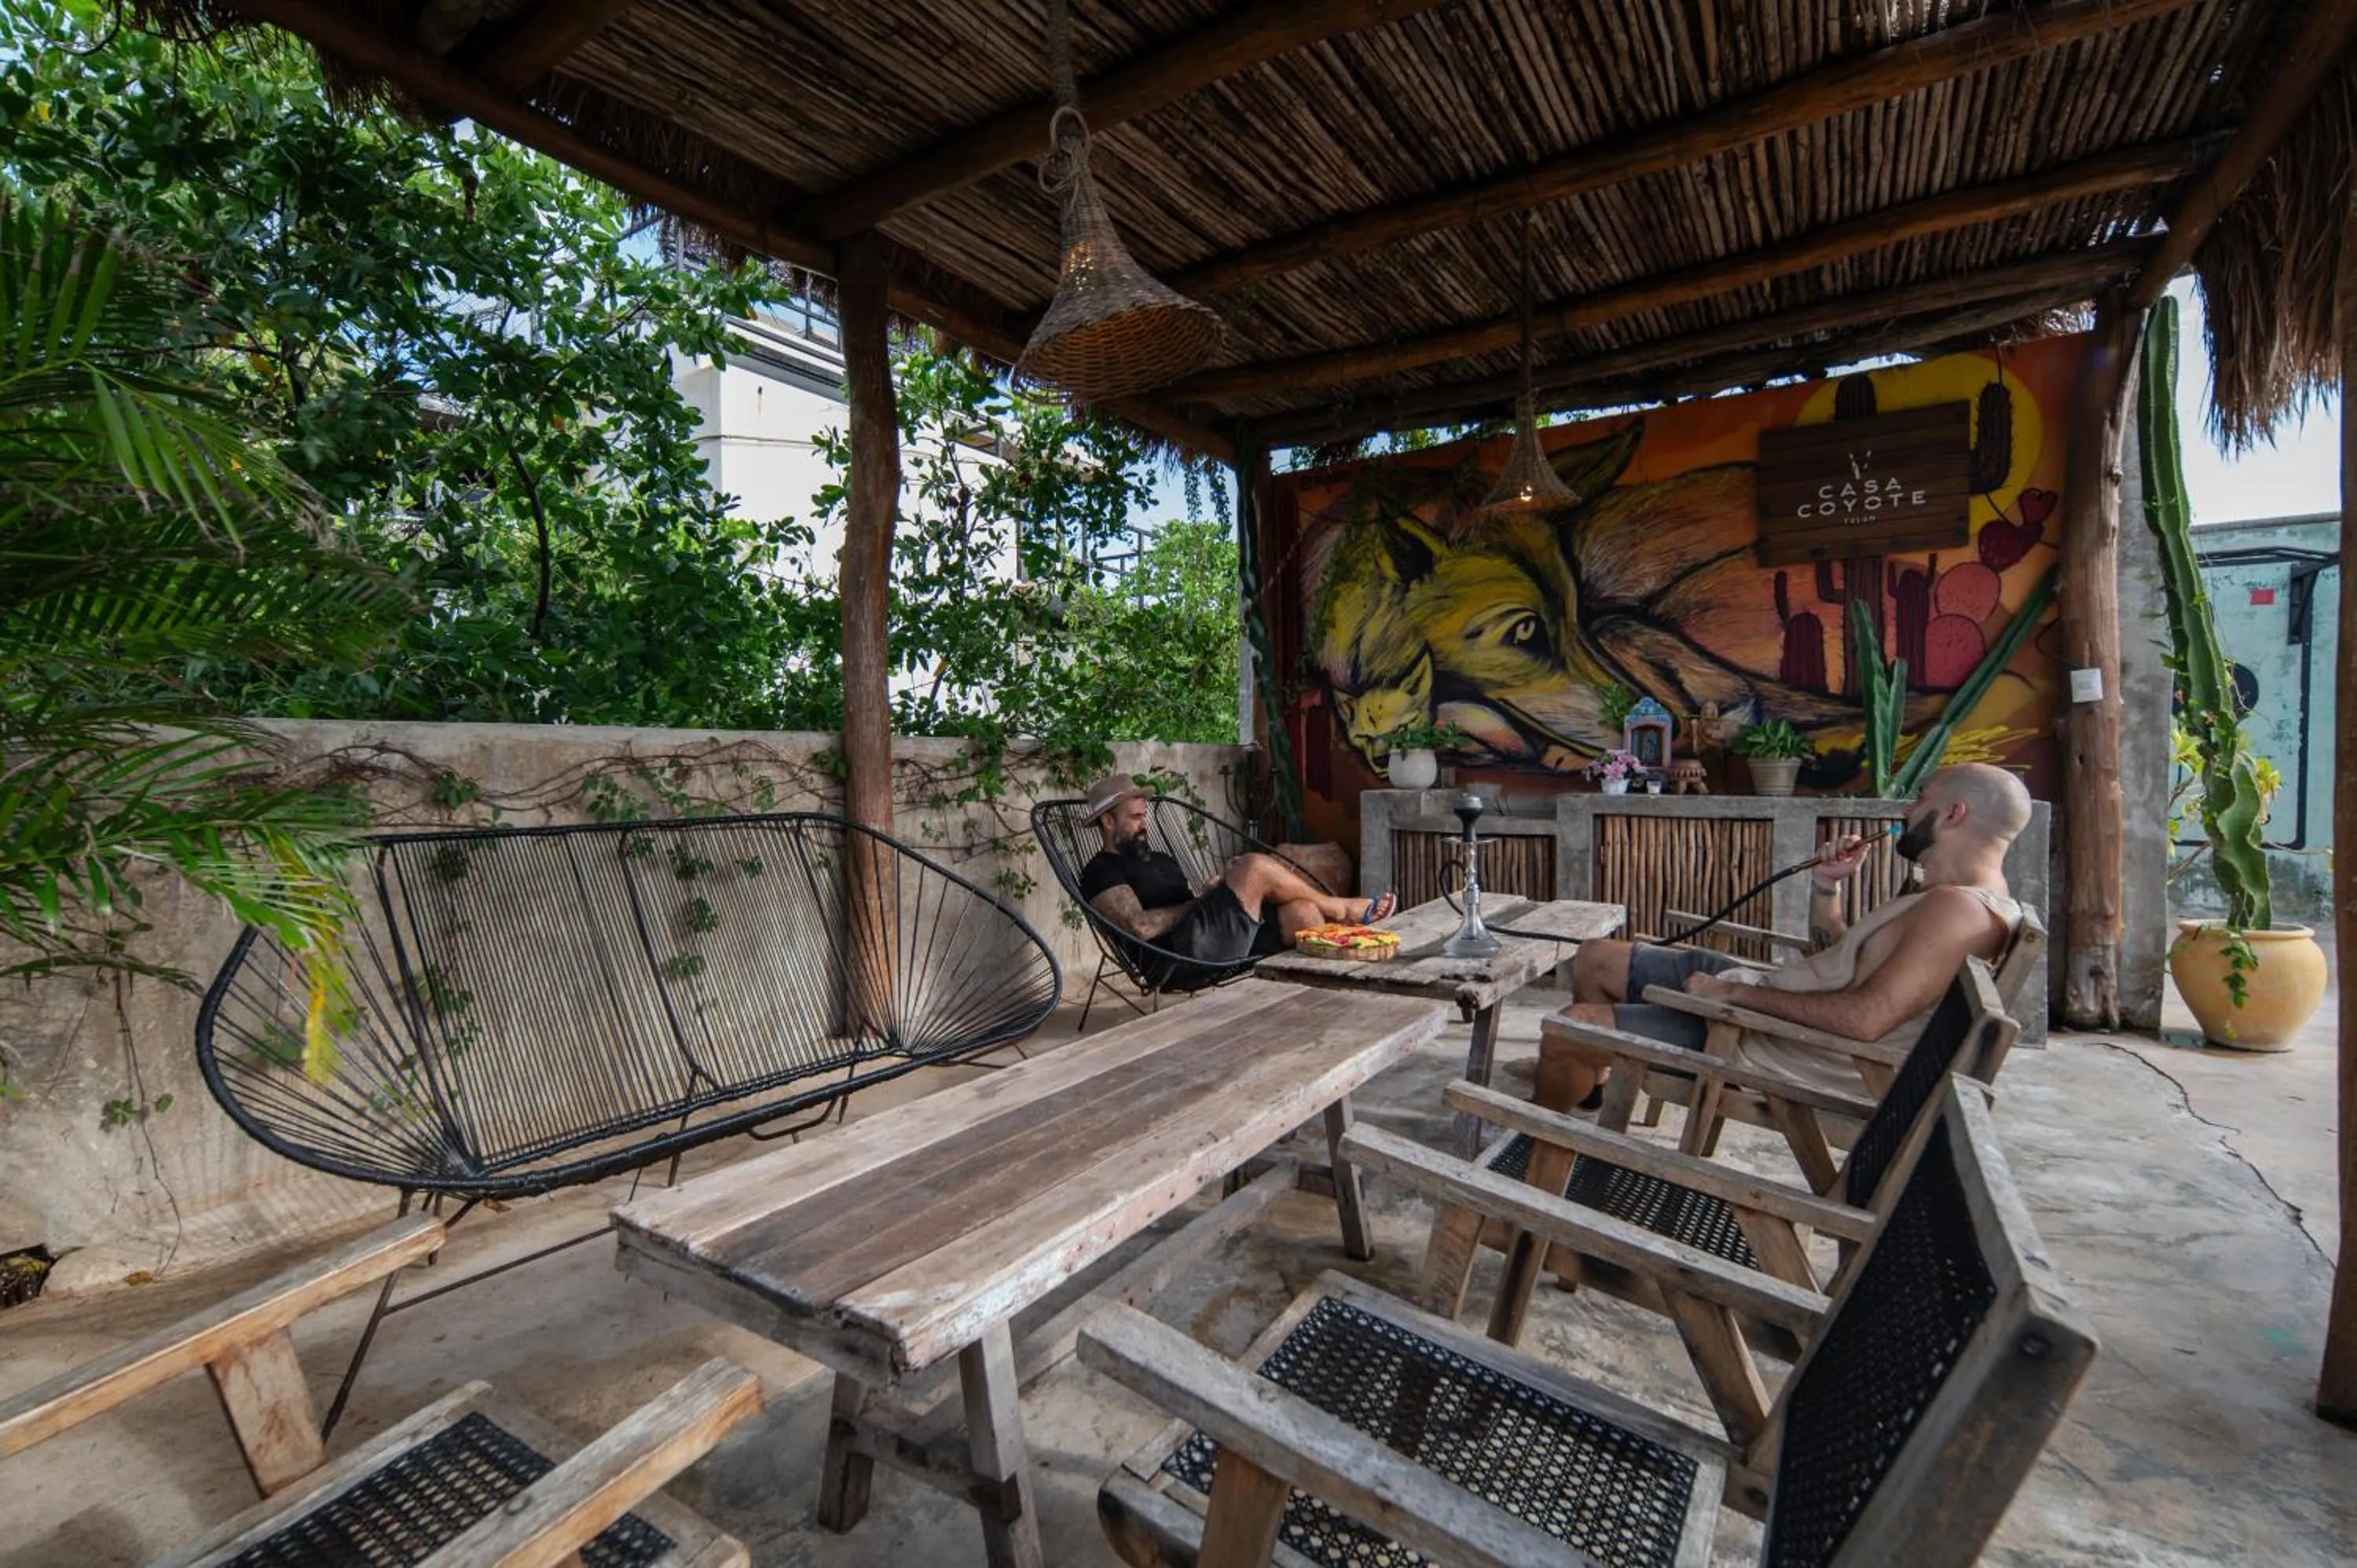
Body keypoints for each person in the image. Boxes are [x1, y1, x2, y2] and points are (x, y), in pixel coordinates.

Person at [1545, 762, 2032, 1110]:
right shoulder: (1945, 894)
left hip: (1781, 1047)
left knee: (1570, 1025)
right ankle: (1584, 1085)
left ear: (1953, 814)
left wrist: (1731, 992)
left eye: (1922, 797)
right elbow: (1844, 960)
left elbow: (1866, 1018)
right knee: (1596, 958)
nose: (1908, 808)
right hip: (1777, 999)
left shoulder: (1959, 912)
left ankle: (1539, 1143)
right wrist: (1827, 885)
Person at [1076, 775, 1396, 986]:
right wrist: (1209, 898)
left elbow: (1189, 904)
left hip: (1206, 938)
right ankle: (1343, 909)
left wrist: (1219, 891)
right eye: (1135, 818)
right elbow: (1140, 928)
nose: (1145, 824)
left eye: (1145, 815)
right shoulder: (1101, 871)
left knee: (1304, 913)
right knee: (1253, 866)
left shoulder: (1158, 858)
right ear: (1107, 821)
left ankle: (1312, 1008)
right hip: (1178, 960)